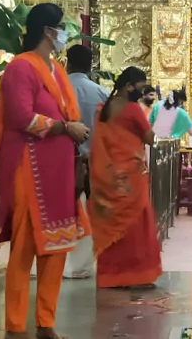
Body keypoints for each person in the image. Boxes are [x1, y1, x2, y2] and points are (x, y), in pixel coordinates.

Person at [0, 2, 90, 339]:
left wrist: (70, 129)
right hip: (29, 170)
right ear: (48, 31)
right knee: (24, 249)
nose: (64, 33)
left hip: (58, 171)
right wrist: (64, 129)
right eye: (62, 27)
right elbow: (21, 117)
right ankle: (16, 325)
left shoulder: (57, 70)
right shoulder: (21, 68)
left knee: (56, 248)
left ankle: (46, 323)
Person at [89, 66, 163, 289]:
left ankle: (111, 276)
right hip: (131, 177)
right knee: (135, 227)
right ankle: (135, 275)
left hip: (109, 177)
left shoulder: (105, 107)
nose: (142, 93)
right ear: (129, 86)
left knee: (114, 226)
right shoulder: (132, 109)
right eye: (140, 88)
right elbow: (150, 138)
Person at [64, 44, 107, 280]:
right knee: (85, 214)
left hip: (61, 163)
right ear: (90, 65)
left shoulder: (55, 90)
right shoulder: (101, 93)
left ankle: (54, 262)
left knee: (58, 213)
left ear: (67, 62)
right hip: (92, 164)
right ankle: (80, 268)